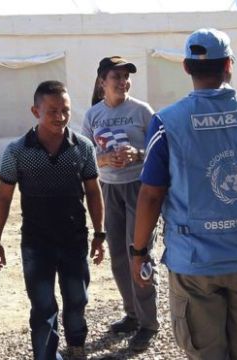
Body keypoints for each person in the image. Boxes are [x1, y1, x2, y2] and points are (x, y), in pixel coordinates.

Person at [131, 28, 237, 360]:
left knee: (206, 352)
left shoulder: (168, 122)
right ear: (229, 65)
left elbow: (151, 194)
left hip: (195, 262)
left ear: (187, 67)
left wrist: (138, 251)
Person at [0, 81, 106, 360]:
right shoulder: (17, 151)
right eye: (52, 110)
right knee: (42, 307)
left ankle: (77, 347)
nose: (60, 116)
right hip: (36, 243)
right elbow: (3, 198)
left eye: (65, 110)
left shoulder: (83, 148)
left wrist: (99, 234)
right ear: (35, 111)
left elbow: (93, 191)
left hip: (74, 240)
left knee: (77, 300)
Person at [81, 56, 159, 351]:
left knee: (139, 252)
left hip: (139, 188)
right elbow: (86, 156)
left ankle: (149, 322)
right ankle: (132, 314)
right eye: (117, 77)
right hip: (108, 188)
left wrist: (137, 154)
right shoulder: (93, 115)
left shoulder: (142, 111)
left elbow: (158, 151)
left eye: (127, 77)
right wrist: (103, 159)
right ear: (103, 81)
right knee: (117, 256)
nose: (124, 82)